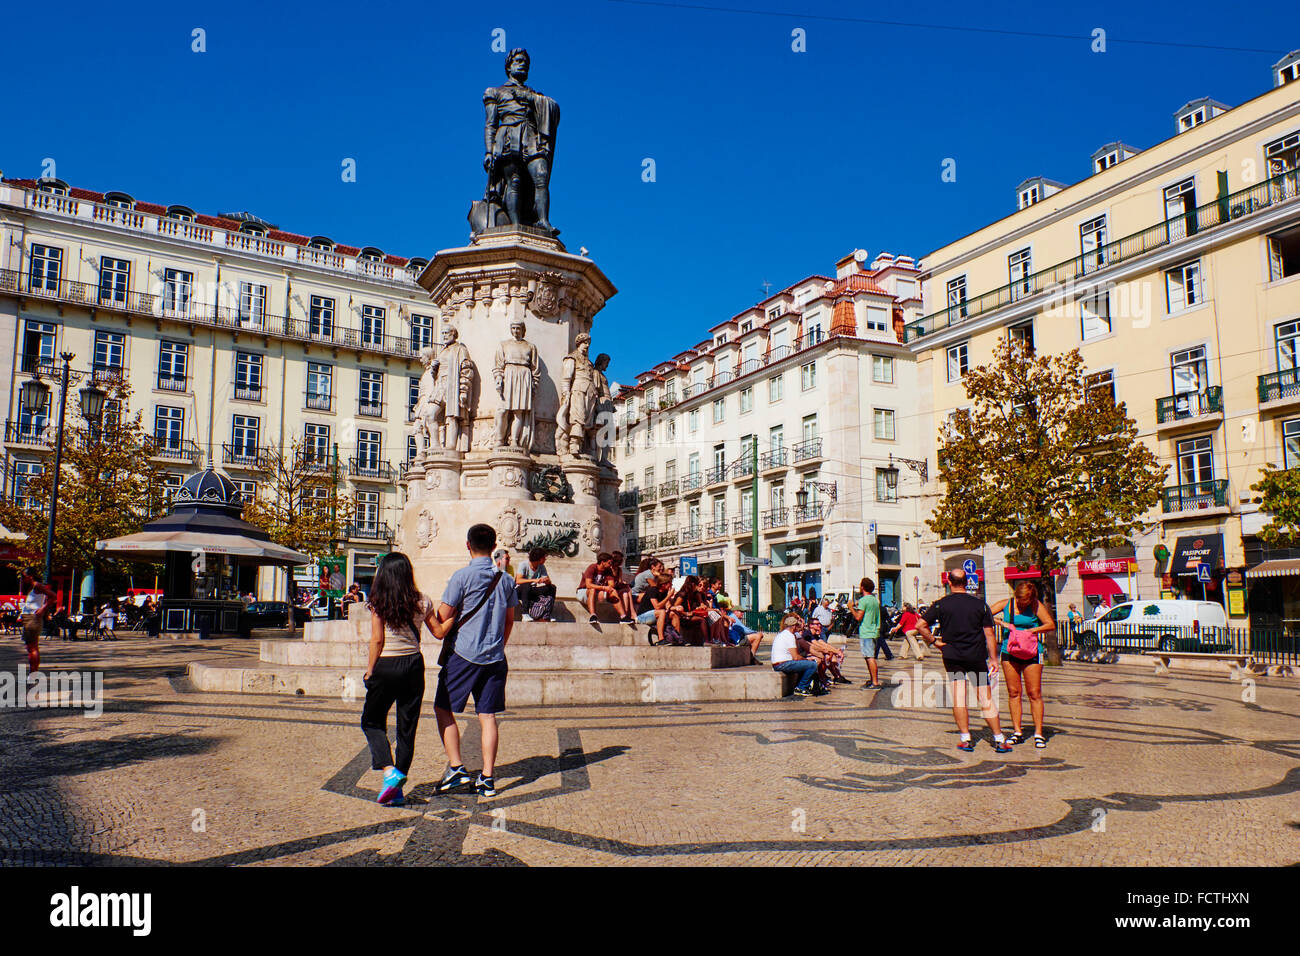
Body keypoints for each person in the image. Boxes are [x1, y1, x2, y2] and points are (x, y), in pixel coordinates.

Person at [433, 523, 519, 798]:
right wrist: (497, 647)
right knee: (487, 715)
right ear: (494, 548)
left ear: (468, 545)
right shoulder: (505, 579)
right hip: (495, 656)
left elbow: (444, 613)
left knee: (443, 707)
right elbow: (509, 621)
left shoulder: (462, 577)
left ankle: (457, 768)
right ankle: (488, 778)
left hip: (463, 654)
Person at [362, 552, 453, 807]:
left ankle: (389, 771)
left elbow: (377, 640)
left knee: (371, 721)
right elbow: (438, 632)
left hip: (387, 664)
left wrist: (370, 670)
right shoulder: (422, 601)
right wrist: (457, 615)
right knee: (406, 728)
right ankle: (397, 789)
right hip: (413, 665)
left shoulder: (378, 601)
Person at [913, 569, 1012, 754]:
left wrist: (935, 642)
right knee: (985, 697)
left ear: (949, 583)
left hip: (952, 656)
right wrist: (993, 658)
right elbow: (989, 634)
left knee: (959, 697)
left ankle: (965, 738)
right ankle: (999, 739)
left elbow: (920, 625)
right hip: (976, 656)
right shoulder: (980, 605)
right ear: (966, 582)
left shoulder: (941, 604)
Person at [991, 582, 1056, 748]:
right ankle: (1017, 731)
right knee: (1014, 692)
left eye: (1025, 600)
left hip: (1032, 652)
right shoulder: (1006, 604)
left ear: (1031, 598)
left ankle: (1038, 733)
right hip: (1009, 651)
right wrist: (1001, 623)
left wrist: (1031, 631)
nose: (1021, 603)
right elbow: (982, 614)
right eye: (1019, 599)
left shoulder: (1036, 605)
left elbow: (1050, 624)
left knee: (1034, 692)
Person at [770, 614, 820, 698]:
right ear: (793, 626)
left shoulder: (783, 634)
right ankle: (801, 687)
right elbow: (796, 657)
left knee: (806, 664)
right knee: (813, 665)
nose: (799, 627)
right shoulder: (789, 636)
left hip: (779, 663)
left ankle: (802, 685)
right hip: (782, 664)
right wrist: (807, 660)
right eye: (797, 625)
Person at [19, 567, 56, 675]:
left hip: (32, 619)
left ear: (31, 576)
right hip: (29, 618)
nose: (23, 579)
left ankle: (33, 673)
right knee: (30, 646)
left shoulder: (37, 586)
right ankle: (33, 672)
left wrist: (43, 609)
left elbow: (53, 596)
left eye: (24, 576)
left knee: (32, 646)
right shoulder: (32, 587)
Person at [578, 552, 634, 624]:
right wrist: (604, 587)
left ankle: (623, 617)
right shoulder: (592, 567)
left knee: (613, 591)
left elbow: (611, 585)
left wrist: (609, 587)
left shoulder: (608, 571)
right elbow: (588, 585)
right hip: (583, 592)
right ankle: (593, 616)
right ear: (602, 562)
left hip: (598, 593)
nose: (611, 565)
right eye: (609, 563)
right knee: (592, 589)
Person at [851, 578, 884, 689]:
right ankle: (872, 679)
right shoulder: (874, 600)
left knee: (870, 657)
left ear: (863, 587)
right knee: (869, 657)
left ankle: (875, 682)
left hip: (867, 631)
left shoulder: (864, 600)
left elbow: (858, 617)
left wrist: (851, 608)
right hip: (874, 631)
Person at [801, 616, 849, 684]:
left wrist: (836, 651)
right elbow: (817, 645)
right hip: (805, 654)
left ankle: (835, 676)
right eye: (817, 624)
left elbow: (824, 644)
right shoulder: (807, 634)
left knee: (830, 656)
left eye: (819, 624)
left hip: (811, 653)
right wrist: (831, 652)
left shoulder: (815, 635)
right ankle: (823, 678)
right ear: (811, 625)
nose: (819, 625)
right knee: (826, 657)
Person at [515, 548, 556, 621]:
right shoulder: (523, 565)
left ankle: (547, 614)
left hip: (532, 590)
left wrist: (546, 581)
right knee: (526, 585)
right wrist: (534, 580)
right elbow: (518, 580)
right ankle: (525, 613)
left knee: (552, 587)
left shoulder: (541, 567)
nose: (545, 559)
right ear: (539, 559)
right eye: (544, 558)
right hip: (520, 591)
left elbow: (548, 580)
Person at [636, 571, 675, 645]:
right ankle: (661, 639)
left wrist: (676, 608)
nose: (671, 585)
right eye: (670, 583)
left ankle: (677, 638)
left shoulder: (665, 592)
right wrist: (668, 596)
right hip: (642, 617)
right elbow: (657, 607)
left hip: (655, 614)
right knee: (662, 612)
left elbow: (668, 606)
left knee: (673, 614)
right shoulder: (653, 590)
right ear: (663, 584)